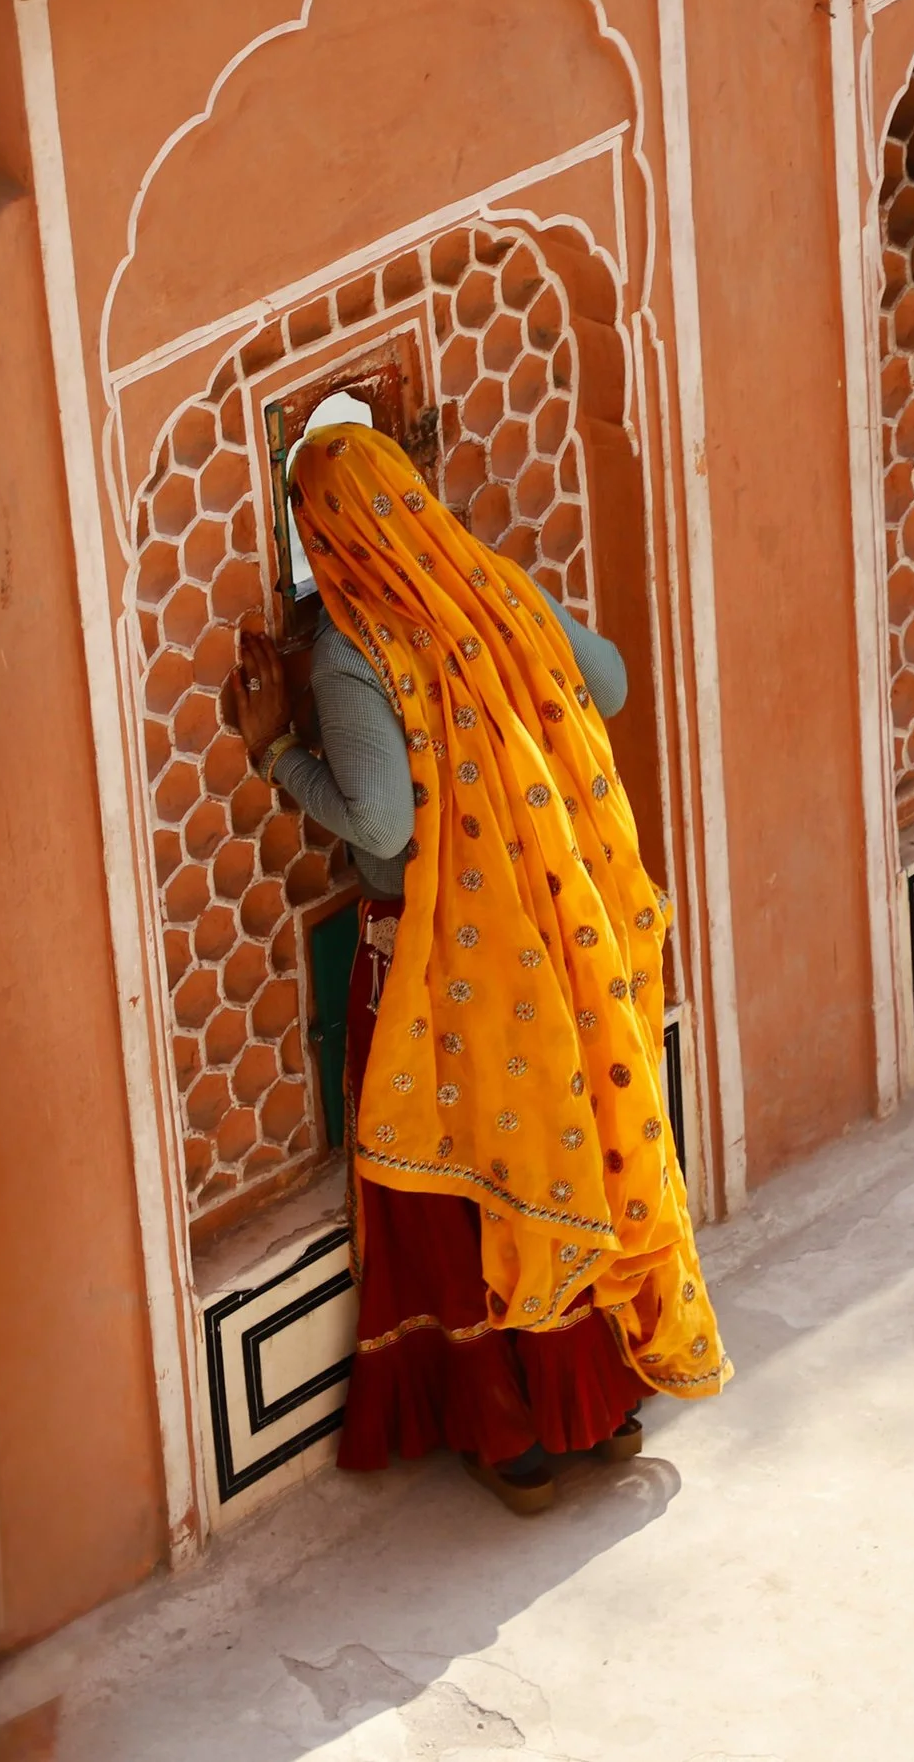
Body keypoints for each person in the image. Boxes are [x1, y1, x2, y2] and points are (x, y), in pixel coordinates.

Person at [222, 423, 728, 1512]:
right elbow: (613, 682)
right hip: (554, 939)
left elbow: (382, 826)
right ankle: (600, 1409)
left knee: (459, 1185)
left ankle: (516, 1445)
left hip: (438, 961)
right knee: (563, 1147)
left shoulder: (355, 651)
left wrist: (275, 752)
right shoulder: (487, 589)